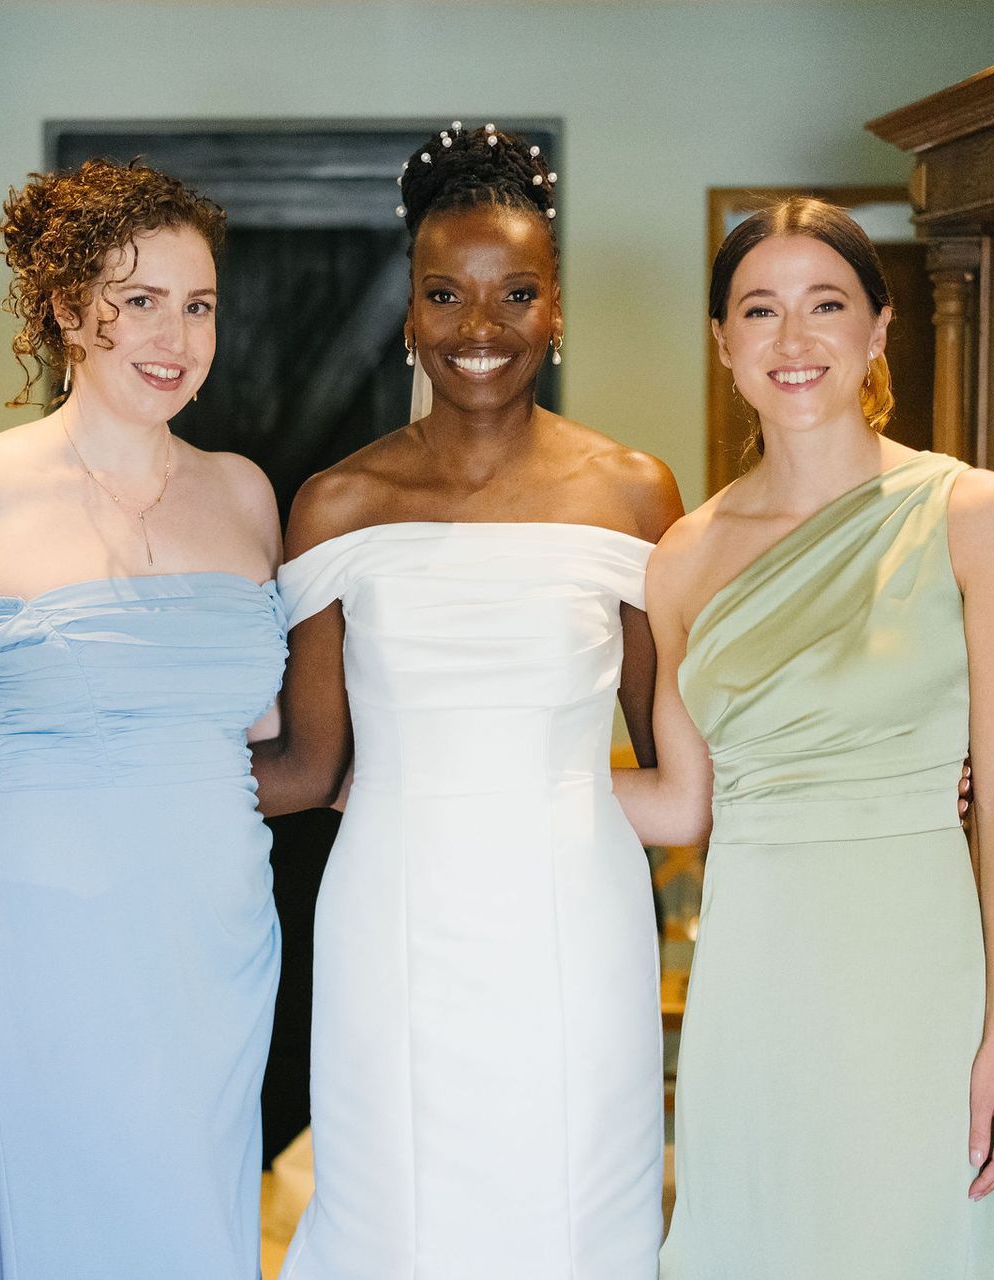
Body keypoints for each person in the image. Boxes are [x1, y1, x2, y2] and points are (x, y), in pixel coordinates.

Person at [253, 123, 683, 1279]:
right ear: (408, 312)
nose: (479, 328)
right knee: (399, 1192)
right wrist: (86, 782)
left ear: (556, 311)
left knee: (575, 1187)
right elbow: (306, 760)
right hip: (393, 903)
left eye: (515, 294)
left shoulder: (635, 493)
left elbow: (680, 753)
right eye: (446, 294)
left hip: (573, 901)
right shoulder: (336, 505)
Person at [624, 198, 994, 1279]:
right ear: (724, 344)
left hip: (913, 969)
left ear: (878, 329)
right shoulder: (681, 555)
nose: (794, 339)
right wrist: (459, 777)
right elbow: (685, 804)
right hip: (752, 973)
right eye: (759, 310)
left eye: (827, 305)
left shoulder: (976, 513)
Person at [0, 159, 285, 1279]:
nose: (177, 335)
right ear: (66, 306)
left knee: (206, 1221)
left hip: (217, 927)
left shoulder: (246, 494)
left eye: (198, 304)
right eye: (140, 298)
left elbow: (259, 729)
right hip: (50, 929)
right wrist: (20, 766)